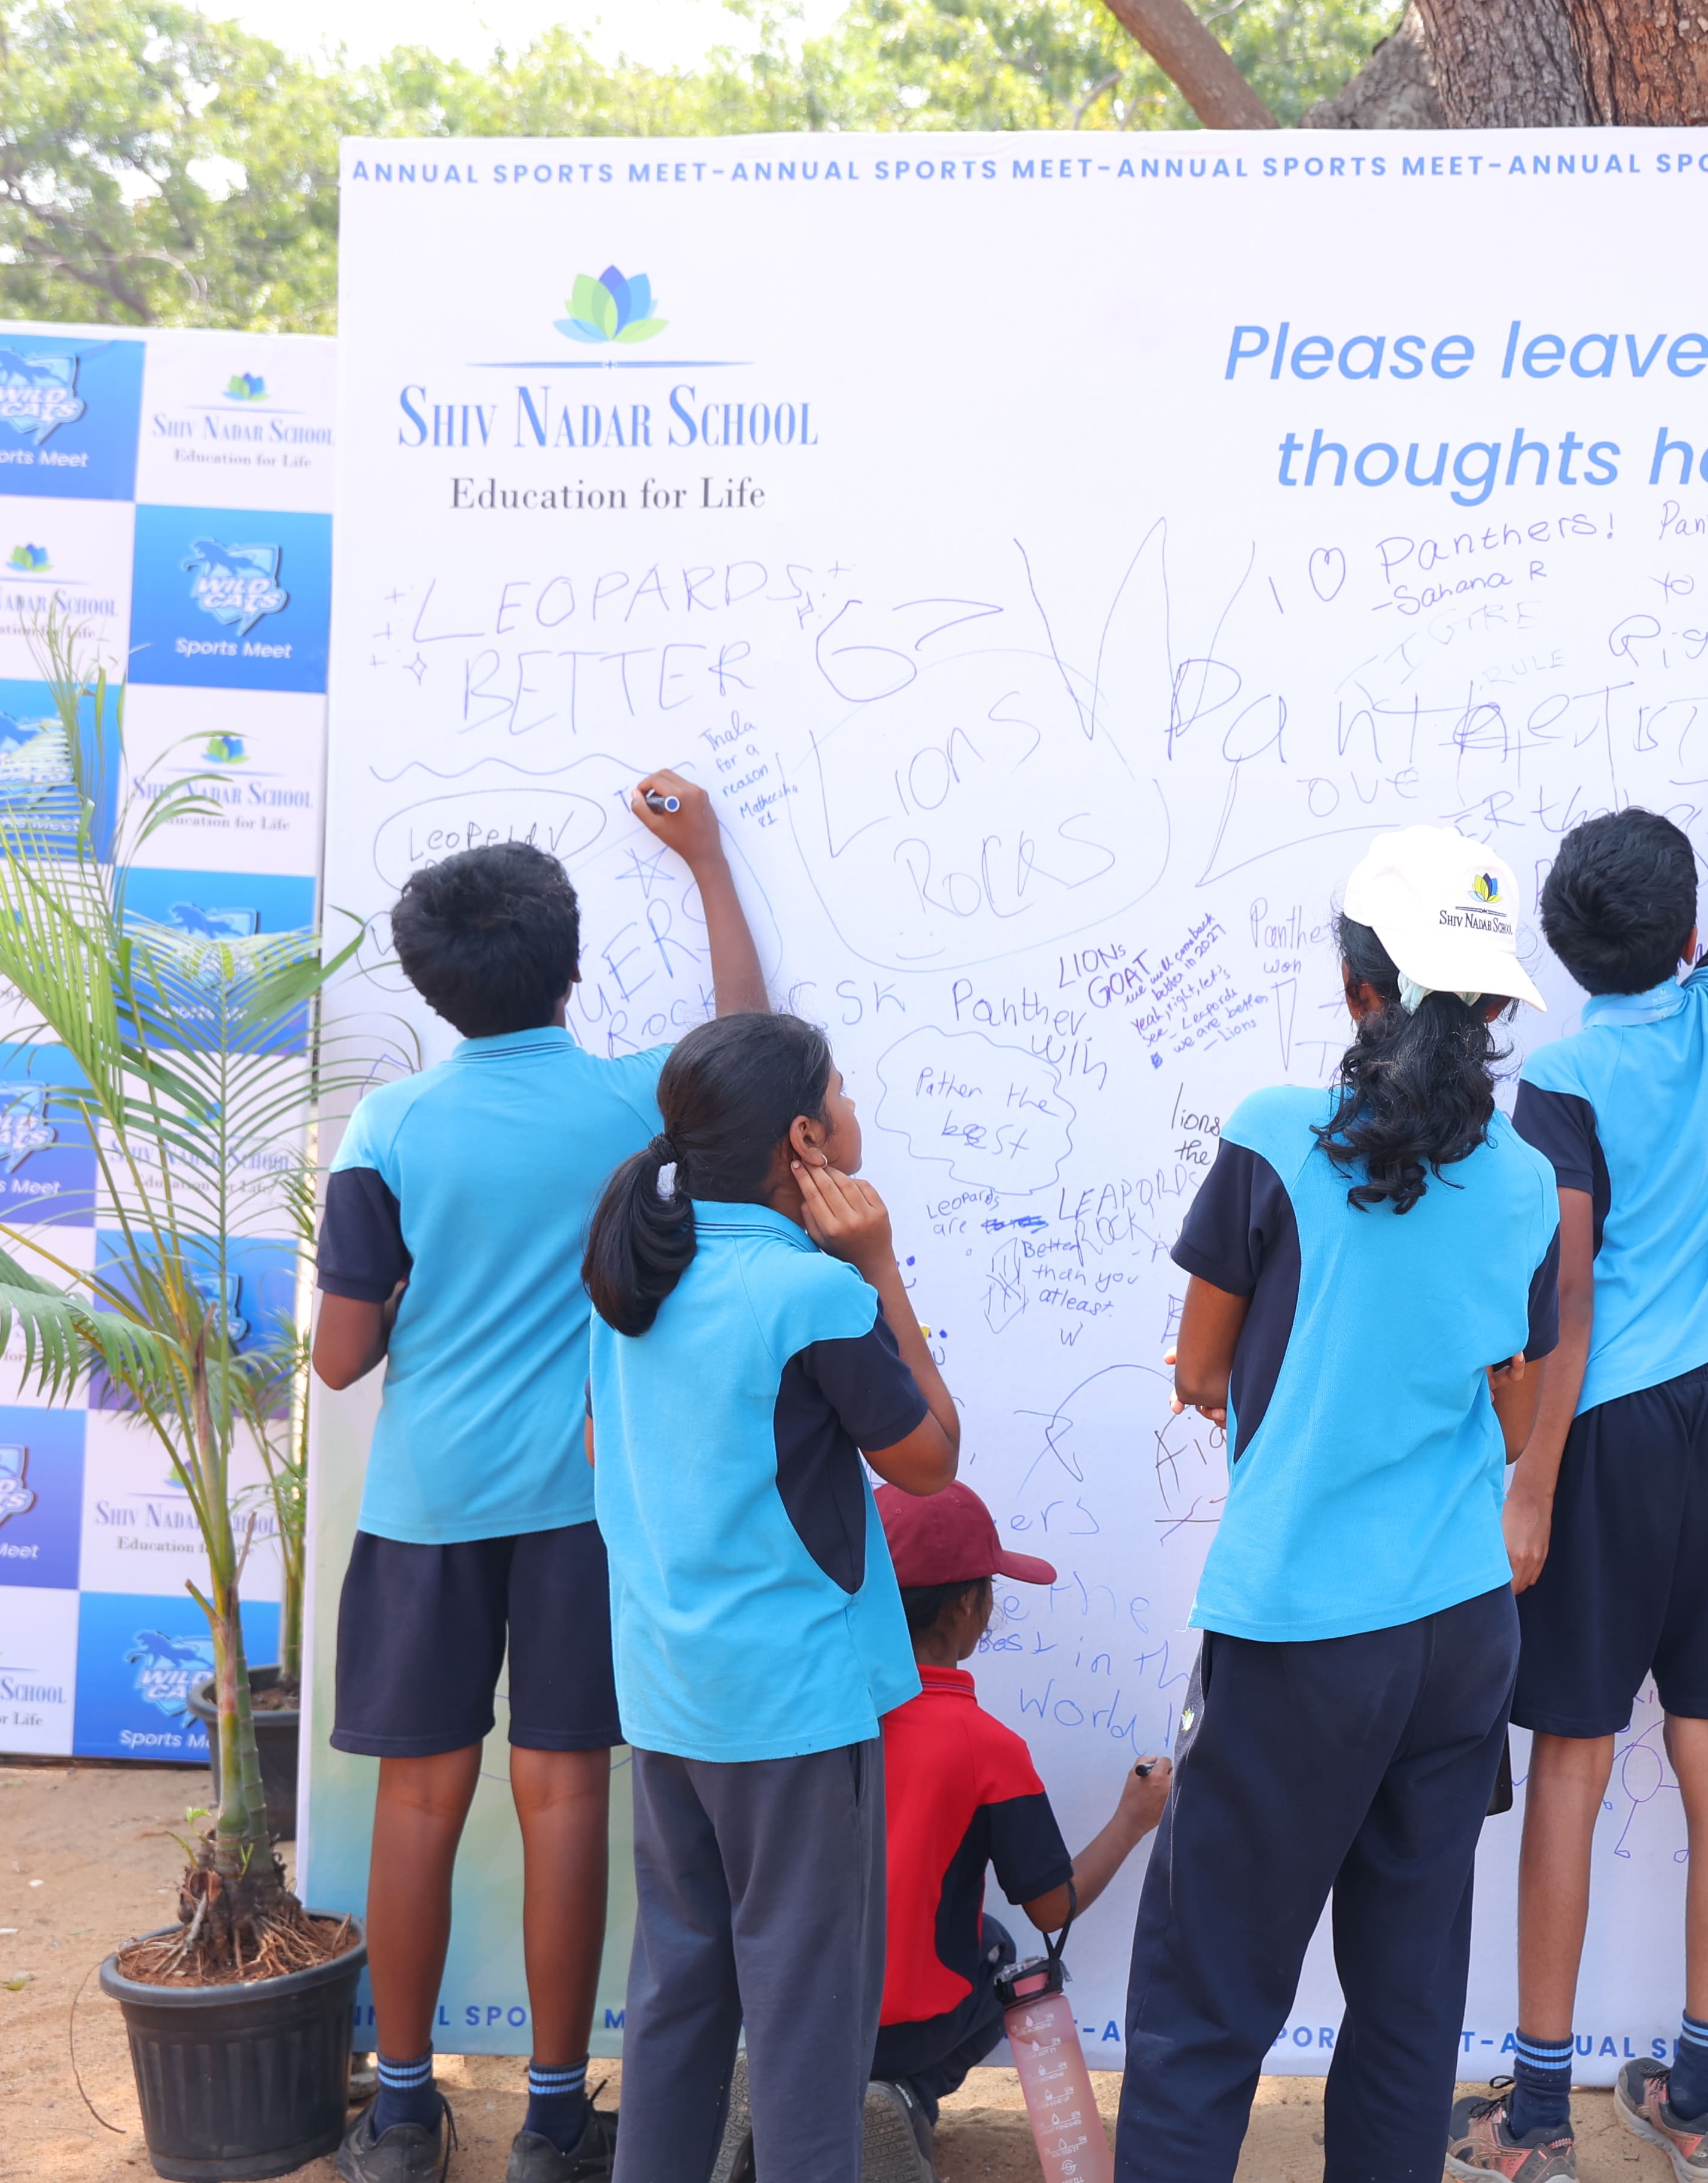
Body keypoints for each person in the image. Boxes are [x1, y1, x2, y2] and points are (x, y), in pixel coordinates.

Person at [315, 773, 762, 2183]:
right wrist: (708, 864)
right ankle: (556, 2121)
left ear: (430, 986)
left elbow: (341, 1357)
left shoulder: (389, 1127)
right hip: (586, 1504)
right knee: (565, 1798)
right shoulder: (633, 1100)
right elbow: (747, 1041)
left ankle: (402, 2113)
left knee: (418, 1801)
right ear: (569, 965)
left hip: (428, 1505)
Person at [1451, 540, 1708, 2183]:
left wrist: (1528, 1487)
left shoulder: (1560, 1083)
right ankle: (1706, 2099)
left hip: (1601, 1439)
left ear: (1564, 947)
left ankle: (1536, 2114)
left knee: (1573, 1764)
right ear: (1683, 935)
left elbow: (1568, 1299)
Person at [1118, 826, 1564, 2183]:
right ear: (1489, 1007)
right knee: (1408, 2006)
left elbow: (1200, 1369)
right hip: (1458, 1632)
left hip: (1299, 1627)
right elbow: (1508, 1406)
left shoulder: (1274, 1135)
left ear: (1359, 987)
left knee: (1203, 2003)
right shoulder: (1525, 1181)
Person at [579, 1012, 961, 2183]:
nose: (853, 1113)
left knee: (677, 1997)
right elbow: (932, 1459)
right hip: (794, 1710)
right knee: (807, 2023)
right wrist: (879, 1266)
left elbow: (601, 1450)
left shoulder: (636, 1277)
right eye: (840, 1095)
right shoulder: (812, 1291)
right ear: (805, 1139)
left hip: (670, 1696)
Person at [864, 1479, 1173, 2171]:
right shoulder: (986, 1746)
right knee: (1001, 1949)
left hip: (798, 2018)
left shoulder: (816, 1717)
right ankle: (907, 2094)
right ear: (967, 1604)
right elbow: (1052, 1907)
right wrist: (1132, 1819)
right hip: (906, 2034)